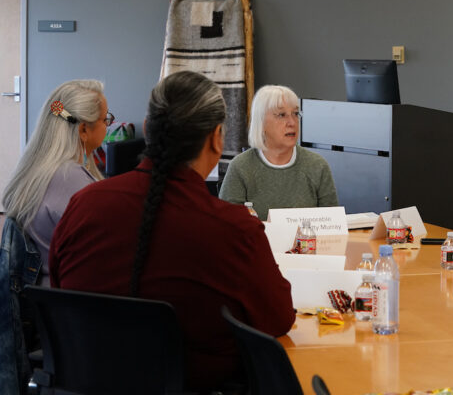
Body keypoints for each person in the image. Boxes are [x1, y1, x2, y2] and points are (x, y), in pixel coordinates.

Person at [49, 71, 295, 392]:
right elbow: (278, 320)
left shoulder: (84, 205)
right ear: (217, 137)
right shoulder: (233, 228)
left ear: (149, 129)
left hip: (86, 384)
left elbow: (59, 292)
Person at [2, 79, 110, 286]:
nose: (107, 126)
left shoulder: (36, 169)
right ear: (83, 130)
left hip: (37, 295)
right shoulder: (72, 180)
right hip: (65, 300)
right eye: (106, 119)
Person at [219, 84, 338, 217]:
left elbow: (332, 224)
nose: (292, 122)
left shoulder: (318, 166)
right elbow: (227, 226)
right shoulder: (240, 167)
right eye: (282, 115)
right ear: (262, 122)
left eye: (296, 114)